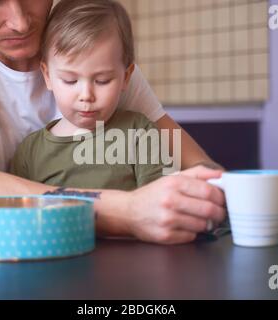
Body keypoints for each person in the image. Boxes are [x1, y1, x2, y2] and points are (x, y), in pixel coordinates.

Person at [0, 0, 225, 244]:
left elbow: (197, 162)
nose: (19, 21)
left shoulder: (92, 48)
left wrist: (215, 194)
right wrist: (127, 211)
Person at [11, 0, 168, 191]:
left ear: (126, 77)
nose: (86, 96)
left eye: (102, 81)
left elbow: (160, 203)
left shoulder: (140, 133)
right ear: (47, 75)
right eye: (70, 80)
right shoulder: (30, 152)